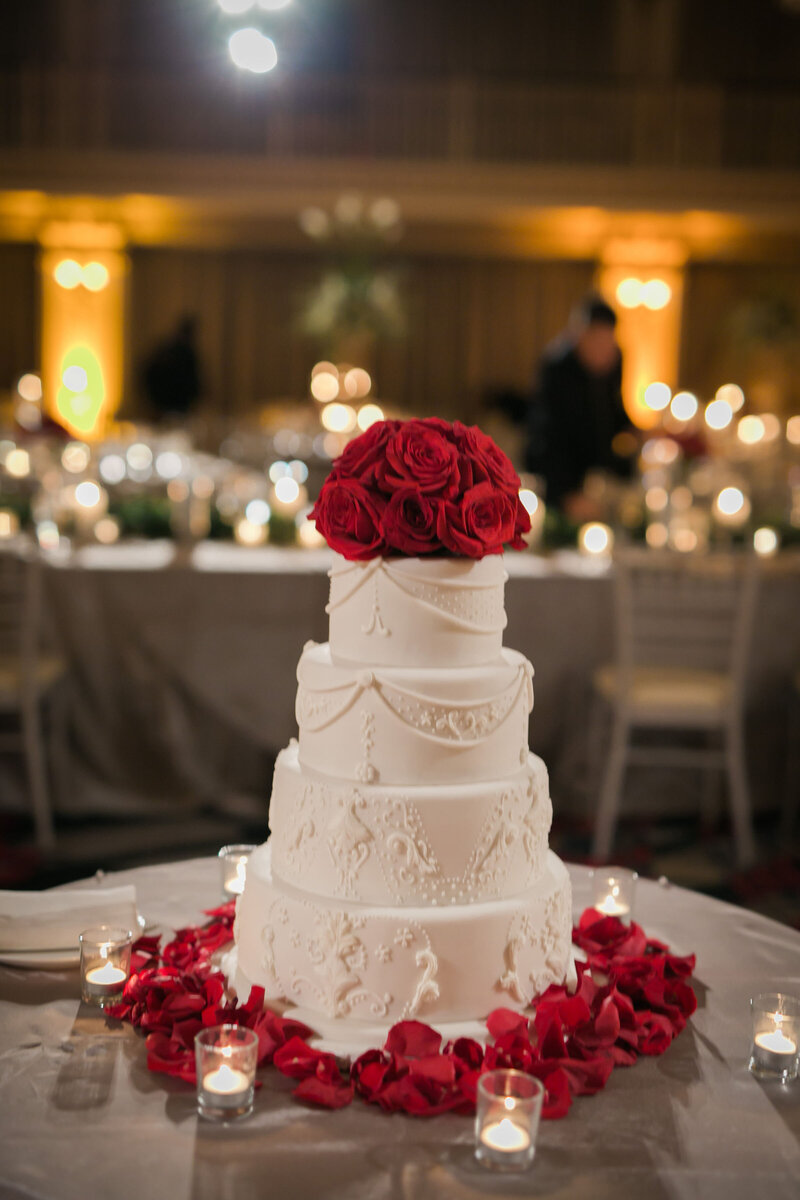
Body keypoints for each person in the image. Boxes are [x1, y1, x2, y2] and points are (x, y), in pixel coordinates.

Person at [525, 295, 634, 519]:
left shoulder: (615, 360)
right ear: (579, 336)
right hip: (559, 479)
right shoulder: (556, 368)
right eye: (596, 341)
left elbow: (614, 410)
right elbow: (547, 436)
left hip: (597, 475)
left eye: (608, 342)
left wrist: (637, 431)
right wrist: (565, 495)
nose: (603, 350)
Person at [141, 315, 202, 421]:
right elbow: (192, 379)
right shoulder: (184, 353)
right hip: (176, 403)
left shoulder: (166, 350)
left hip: (164, 403)